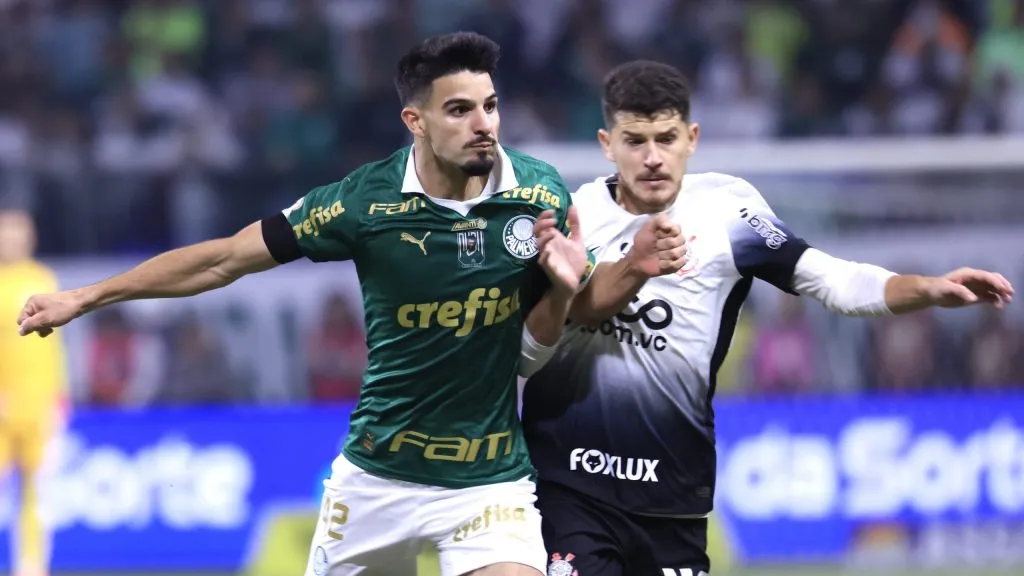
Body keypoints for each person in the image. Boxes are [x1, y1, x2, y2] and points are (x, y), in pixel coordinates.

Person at [16, 33, 593, 576]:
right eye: (459, 110)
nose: (484, 125)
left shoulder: (538, 193)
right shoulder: (363, 203)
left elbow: (530, 353)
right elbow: (225, 259)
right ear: (415, 121)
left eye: (490, 106)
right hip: (377, 482)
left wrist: (573, 287)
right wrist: (87, 296)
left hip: (489, 484)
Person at [522, 60, 1015, 576]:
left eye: (666, 139)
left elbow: (832, 279)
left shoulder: (727, 211)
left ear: (692, 138)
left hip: (671, 491)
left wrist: (928, 288)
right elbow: (545, 331)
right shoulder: (578, 215)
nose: (652, 158)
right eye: (635, 141)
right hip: (568, 484)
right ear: (607, 144)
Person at [0, 209, 68, 576]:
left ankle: (31, 567)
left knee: (38, 493)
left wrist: (59, 398)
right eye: (6, 233)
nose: (11, 241)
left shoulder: (43, 279)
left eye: (18, 234)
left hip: (38, 405)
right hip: (2, 404)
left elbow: (54, 348)